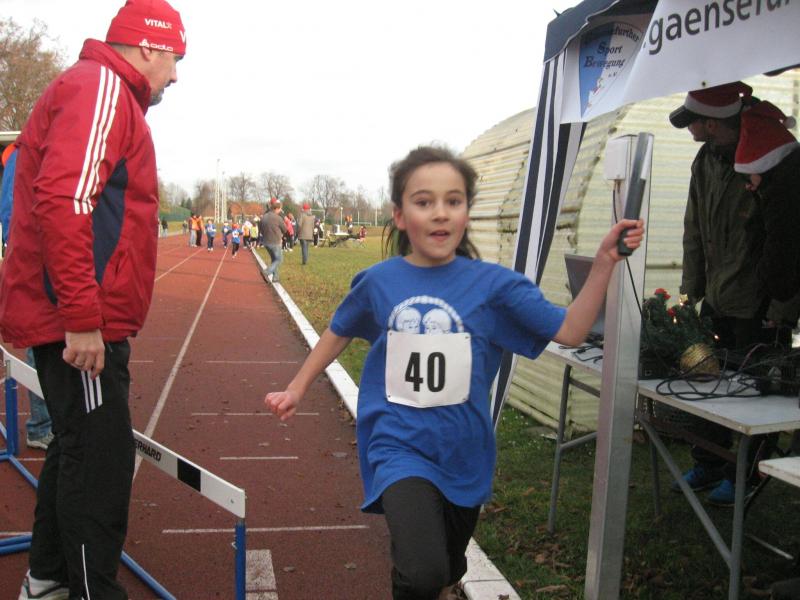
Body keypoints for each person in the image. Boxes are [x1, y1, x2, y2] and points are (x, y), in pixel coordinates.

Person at [265, 145, 644, 600]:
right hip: (397, 444)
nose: (440, 213)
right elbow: (339, 329)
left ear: (466, 212)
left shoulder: (496, 288)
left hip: (464, 451)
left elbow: (570, 330)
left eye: (453, 200)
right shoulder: (379, 282)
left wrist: (604, 263)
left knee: (444, 569)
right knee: (421, 573)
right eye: (424, 201)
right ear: (400, 215)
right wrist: (297, 387)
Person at [0, 1, 186, 598]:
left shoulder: (101, 90)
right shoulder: (101, 87)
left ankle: (47, 579)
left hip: (74, 314)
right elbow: (65, 201)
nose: (176, 76)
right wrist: (82, 319)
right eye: (177, 59)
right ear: (150, 47)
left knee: (77, 449)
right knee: (100, 463)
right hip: (76, 321)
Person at [670, 82, 798, 506]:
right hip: (716, 299)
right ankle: (708, 461)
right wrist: (691, 293)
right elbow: (693, 228)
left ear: (712, 122)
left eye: (694, 122)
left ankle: (746, 472)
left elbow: (789, 240)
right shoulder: (705, 161)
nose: (690, 130)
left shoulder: (769, 155)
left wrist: (782, 308)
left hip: (759, 305)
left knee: (756, 397)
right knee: (705, 383)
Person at [1, 143, 56, 451]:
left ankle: (52, 422)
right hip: (36, 264)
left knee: (54, 343)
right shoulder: (23, 153)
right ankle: (41, 426)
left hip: (51, 259)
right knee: (41, 343)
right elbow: (11, 213)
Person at [262, 198, 288, 282]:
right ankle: (266, 272)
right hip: (275, 241)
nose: (280, 211)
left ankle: (275, 277)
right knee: (279, 260)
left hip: (266, 242)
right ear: (276, 208)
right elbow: (285, 229)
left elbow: (260, 228)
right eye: (279, 209)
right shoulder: (278, 218)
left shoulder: (264, 216)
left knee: (274, 259)